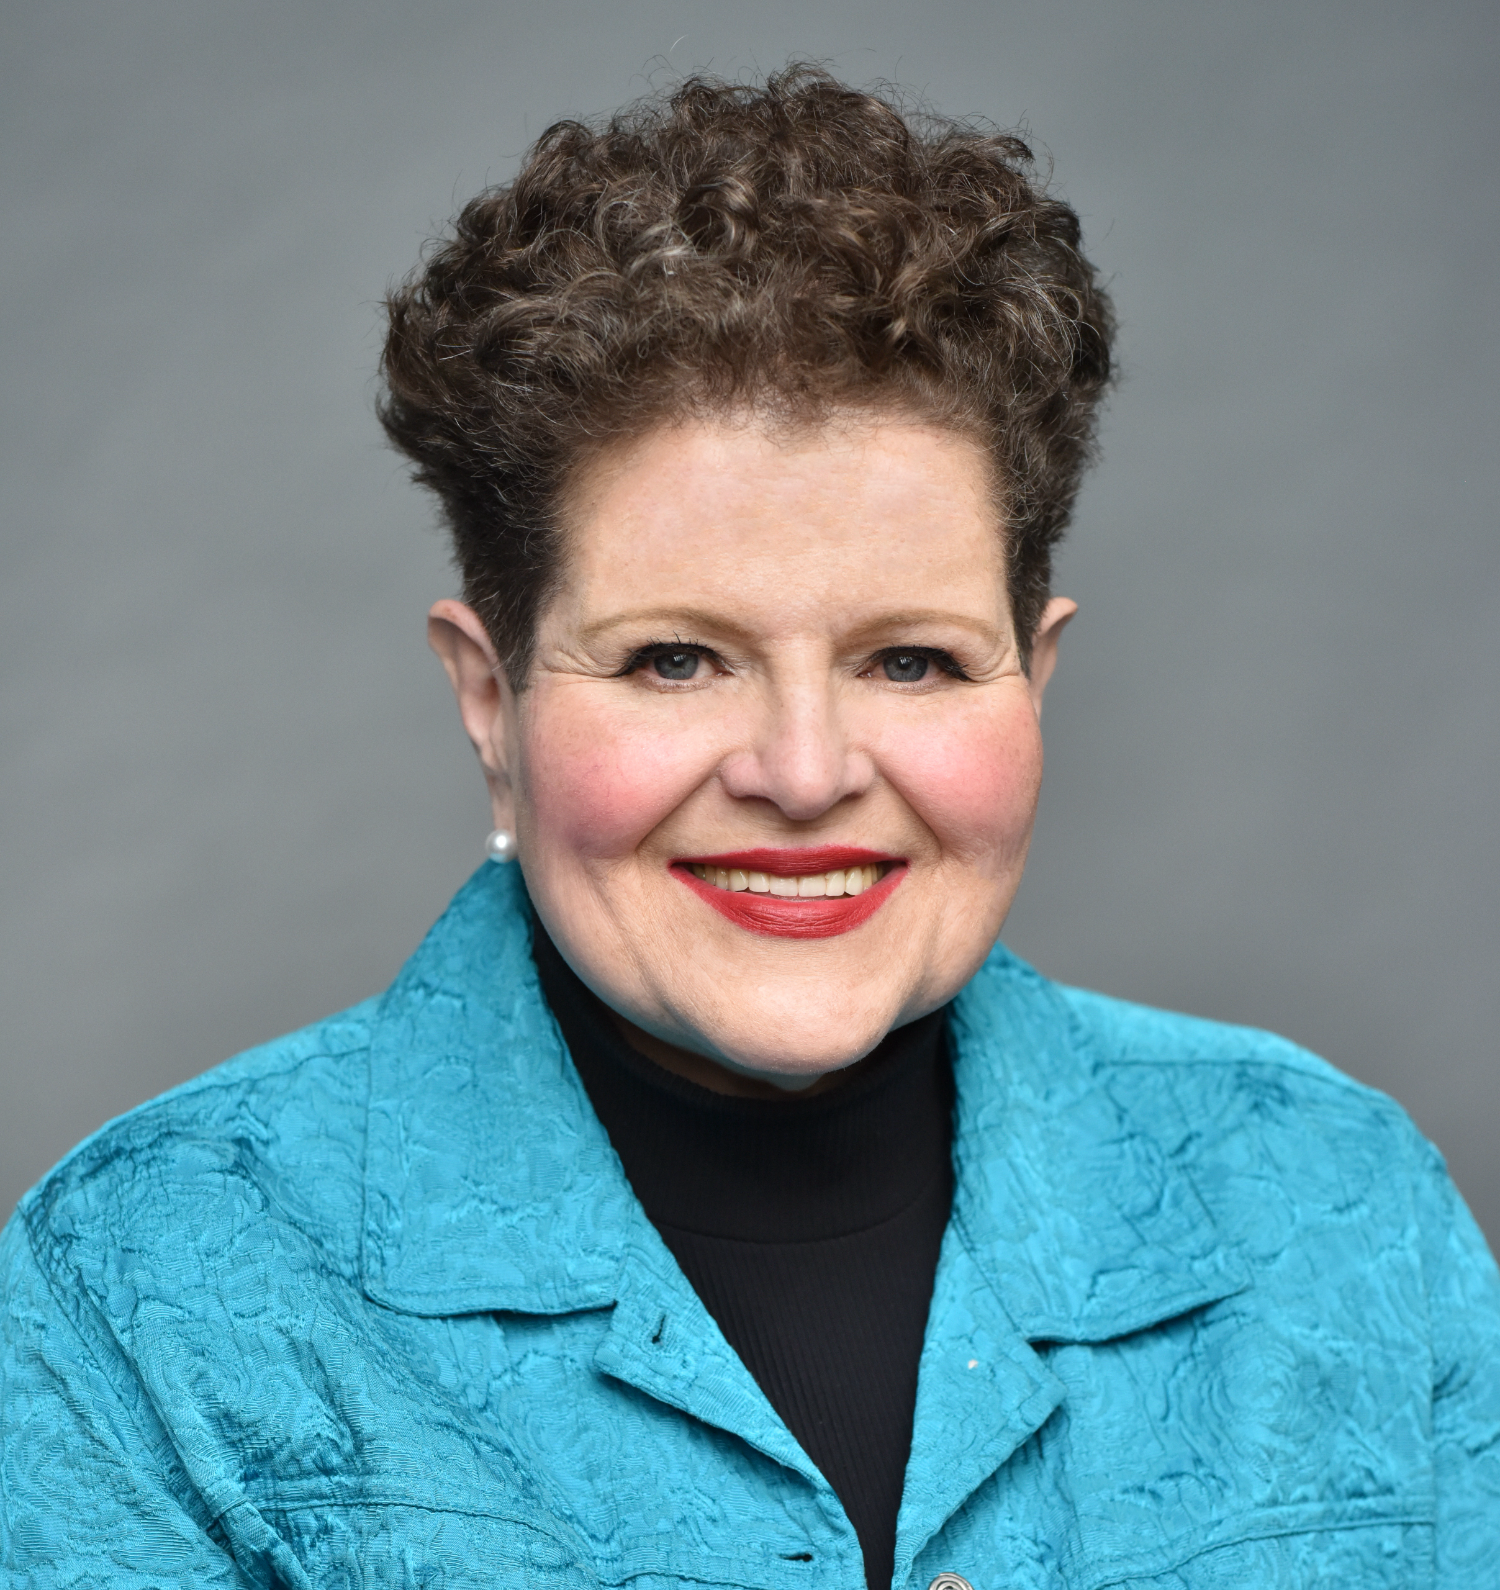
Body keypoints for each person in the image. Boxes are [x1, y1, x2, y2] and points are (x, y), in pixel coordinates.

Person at [2, 66, 1496, 1590]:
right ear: (489, 700)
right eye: (674, 659)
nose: (801, 768)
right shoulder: (150, 1283)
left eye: (909, 658)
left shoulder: (1339, 1209)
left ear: (1031, 681)